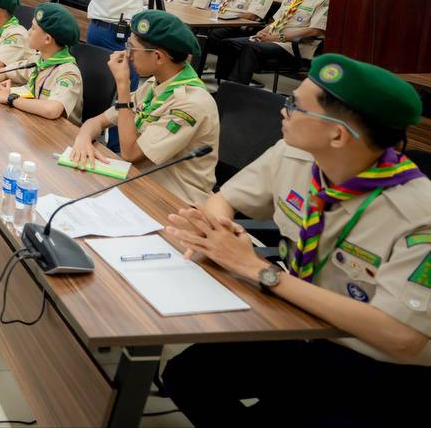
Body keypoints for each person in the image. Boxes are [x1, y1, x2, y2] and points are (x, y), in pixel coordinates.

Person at [160, 55, 430, 426]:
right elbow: (225, 200)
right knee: (188, 376)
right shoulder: (294, 153)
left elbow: (401, 336)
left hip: (375, 362)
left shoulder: (419, 216)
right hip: (296, 323)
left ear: (338, 135)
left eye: (295, 105)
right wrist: (218, 230)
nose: (283, 110)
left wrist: (258, 269)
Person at [69, 10, 218, 205]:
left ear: (158, 57)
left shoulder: (191, 103)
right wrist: (83, 139)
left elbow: (131, 154)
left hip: (176, 202)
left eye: (132, 48)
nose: (127, 55)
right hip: (139, 184)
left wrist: (123, 85)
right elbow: (97, 121)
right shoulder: (153, 85)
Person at [214, 0, 330, 85]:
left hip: (294, 46)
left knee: (251, 48)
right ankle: (224, 84)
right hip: (275, 38)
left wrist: (276, 37)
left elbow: (314, 30)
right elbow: (278, 20)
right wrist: (263, 32)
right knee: (228, 43)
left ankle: (236, 88)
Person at [0, 3, 83, 123]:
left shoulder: (68, 73)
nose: (28, 32)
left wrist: (9, 98)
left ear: (47, 39)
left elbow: (52, 110)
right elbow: (3, 71)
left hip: (59, 132)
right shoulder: (38, 60)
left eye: (33, 28)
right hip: (34, 123)